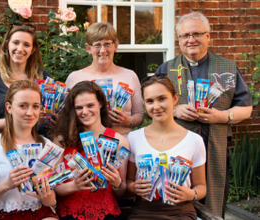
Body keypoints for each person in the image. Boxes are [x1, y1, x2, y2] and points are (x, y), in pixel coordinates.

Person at [155, 11, 253, 217]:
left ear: (208, 36)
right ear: (179, 40)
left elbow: (246, 108)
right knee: (175, 200)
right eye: (185, 35)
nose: (191, 40)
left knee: (213, 201)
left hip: (214, 146)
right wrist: (175, 109)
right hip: (177, 147)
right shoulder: (166, 69)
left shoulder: (227, 67)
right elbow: (152, 106)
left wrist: (222, 117)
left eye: (197, 34)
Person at [0, 80, 58, 219]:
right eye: (23, 106)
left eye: (35, 106)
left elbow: (52, 198)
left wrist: (48, 198)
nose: (30, 113)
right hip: (4, 215)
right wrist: (6, 185)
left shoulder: (47, 146)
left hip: (40, 213)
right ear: (9, 107)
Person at [127, 75, 206, 220]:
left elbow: (201, 186)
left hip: (180, 213)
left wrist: (191, 194)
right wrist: (133, 187)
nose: (156, 107)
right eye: (150, 101)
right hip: (142, 213)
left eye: (162, 98)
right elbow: (128, 182)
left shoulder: (194, 140)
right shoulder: (133, 138)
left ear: (175, 99)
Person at [53, 81, 130, 220]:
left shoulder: (119, 142)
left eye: (90, 105)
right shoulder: (62, 141)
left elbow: (122, 190)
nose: (85, 112)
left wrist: (117, 183)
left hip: (107, 214)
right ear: (72, 110)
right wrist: (74, 186)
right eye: (79, 107)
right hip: (70, 214)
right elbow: (55, 186)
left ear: (101, 103)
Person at [65, 22, 144, 137]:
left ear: (115, 46)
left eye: (107, 44)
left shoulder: (130, 76)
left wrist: (129, 121)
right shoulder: (75, 78)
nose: (102, 50)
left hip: (123, 145)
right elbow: (67, 116)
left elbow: (139, 114)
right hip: (87, 145)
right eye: (97, 45)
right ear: (88, 48)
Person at [0, 23, 51, 134]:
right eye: (16, 43)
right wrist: (21, 120)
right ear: (7, 44)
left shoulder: (43, 77)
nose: (20, 49)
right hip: (8, 147)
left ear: (33, 49)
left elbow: (50, 117)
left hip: (38, 146)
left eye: (26, 45)